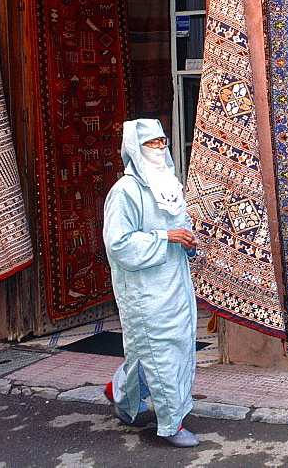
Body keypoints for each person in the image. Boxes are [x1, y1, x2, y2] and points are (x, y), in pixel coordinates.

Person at [101, 118, 200, 448]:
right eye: (151, 143)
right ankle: (173, 424)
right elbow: (118, 244)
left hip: (175, 282)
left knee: (174, 348)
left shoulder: (169, 183)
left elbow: (179, 225)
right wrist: (165, 237)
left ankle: (122, 393)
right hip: (144, 290)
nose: (160, 148)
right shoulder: (124, 193)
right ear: (134, 149)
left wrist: (186, 240)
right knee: (161, 351)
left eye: (162, 142)